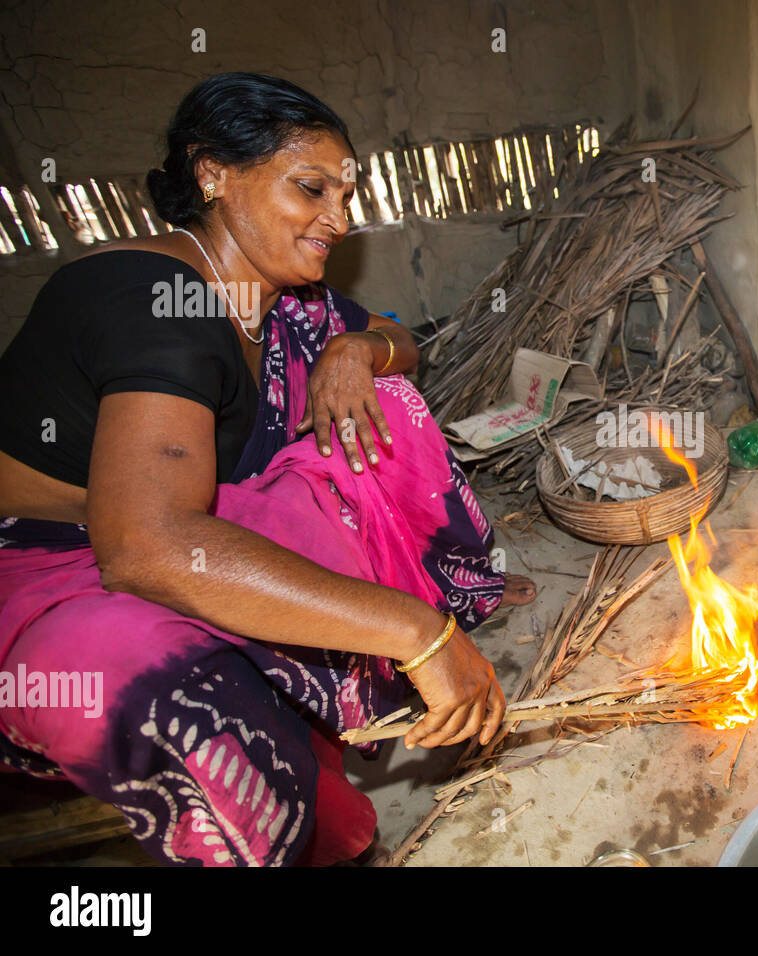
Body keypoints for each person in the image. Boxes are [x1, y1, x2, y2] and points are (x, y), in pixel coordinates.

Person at [0, 72, 534, 866]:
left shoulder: (280, 298)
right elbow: (147, 547)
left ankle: (405, 620)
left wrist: (356, 350)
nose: (339, 219)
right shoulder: (153, 297)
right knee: (160, 686)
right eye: (312, 188)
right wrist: (420, 634)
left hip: (198, 521)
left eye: (347, 196)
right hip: (60, 563)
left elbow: (402, 342)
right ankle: (304, 805)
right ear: (212, 172)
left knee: (388, 407)